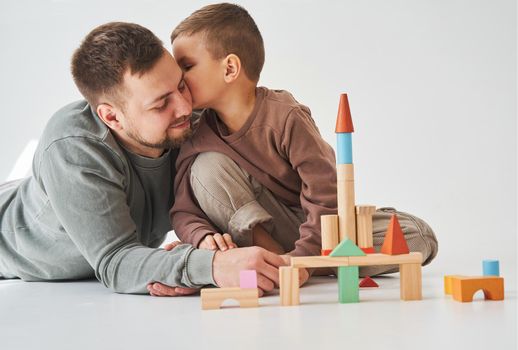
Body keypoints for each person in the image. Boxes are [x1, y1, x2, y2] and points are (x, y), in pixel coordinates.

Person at [0, 21, 285, 296]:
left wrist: (188, 259)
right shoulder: (72, 147)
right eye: (161, 104)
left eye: (182, 85)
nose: (186, 107)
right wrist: (207, 266)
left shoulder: (191, 121)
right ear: (112, 117)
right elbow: (116, 263)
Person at [169, 2, 438, 284]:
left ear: (230, 68)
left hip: (321, 224)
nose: (179, 79)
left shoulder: (284, 116)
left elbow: (325, 191)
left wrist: (305, 254)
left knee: (419, 236)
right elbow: (184, 210)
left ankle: (301, 262)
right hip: (262, 226)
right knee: (206, 167)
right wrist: (202, 237)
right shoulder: (198, 131)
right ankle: (280, 260)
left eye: (187, 66)